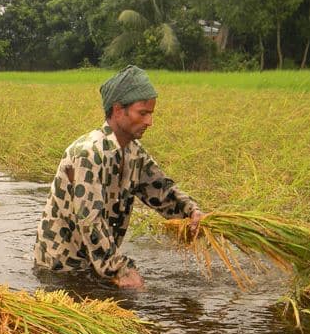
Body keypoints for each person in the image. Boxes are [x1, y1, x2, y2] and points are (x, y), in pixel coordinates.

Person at [33, 65, 202, 288]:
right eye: (143, 113)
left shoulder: (133, 152)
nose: (150, 122)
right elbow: (90, 220)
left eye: (151, 113)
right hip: (63, 269)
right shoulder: (88, 154)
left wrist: (191, 212)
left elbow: (162, 191)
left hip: (96, 263)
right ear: (118, 110)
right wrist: (120, 269)